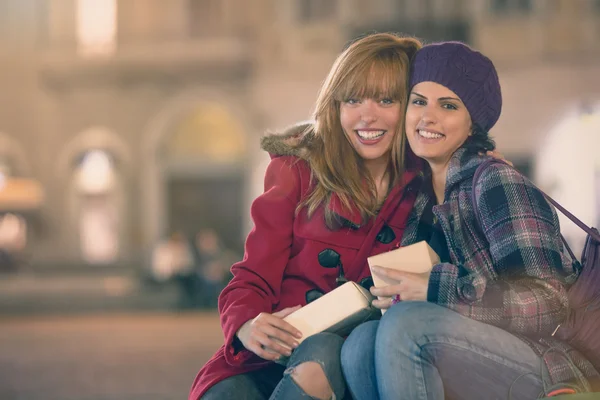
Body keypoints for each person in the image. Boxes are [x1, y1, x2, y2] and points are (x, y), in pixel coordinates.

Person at [340, 42, 600, 399]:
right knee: (360, 343)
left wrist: (433, 289)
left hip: (545, 363)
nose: (427, 117)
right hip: (469, 354)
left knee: (407, 324)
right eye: (419, 101)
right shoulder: (421, 195)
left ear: (472, 122)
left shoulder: (495, 182)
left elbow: (548, 304)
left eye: (448, 105)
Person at [189, 33, 423, 400]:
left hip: (349, 360)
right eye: (353, 99)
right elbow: (251, 276)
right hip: (269, 354)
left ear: (412, 107)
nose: (367, 115)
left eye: (386, 99)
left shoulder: (426, 188)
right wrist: (248, 325)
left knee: (323, 353)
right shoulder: (297, 170)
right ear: (336, 107)